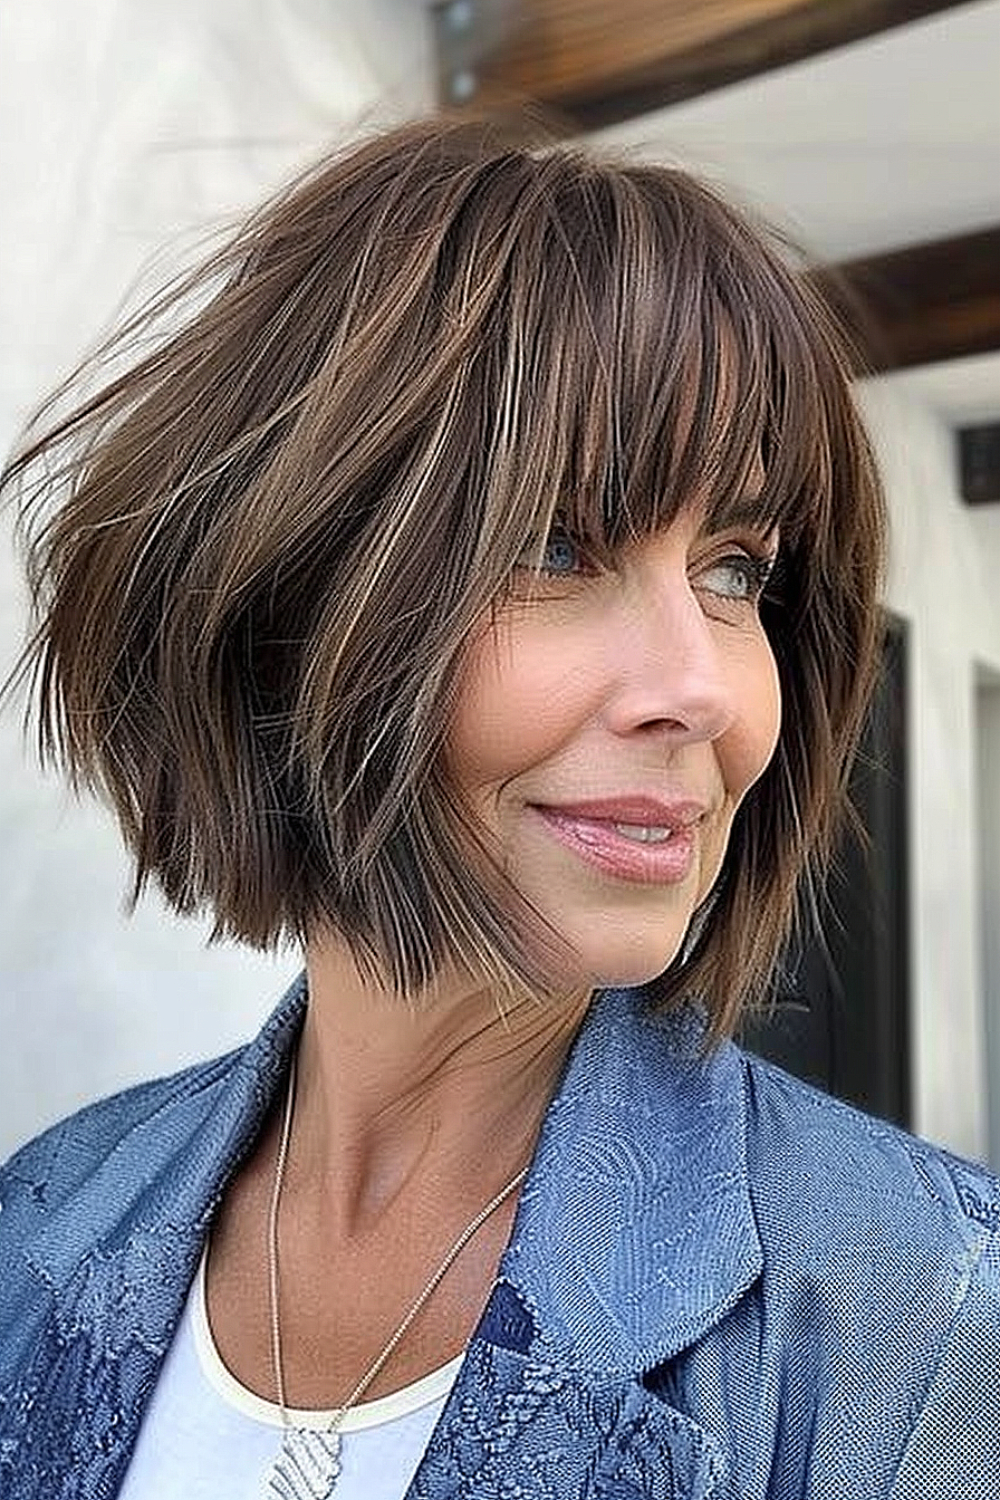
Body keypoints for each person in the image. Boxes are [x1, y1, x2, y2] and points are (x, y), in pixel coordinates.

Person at [0, 116, 996, 1500]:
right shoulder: (41, 1228)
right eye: (554, 545)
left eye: (736, 569)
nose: (700, 686)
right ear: (285, 594)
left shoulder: (934, 1323)